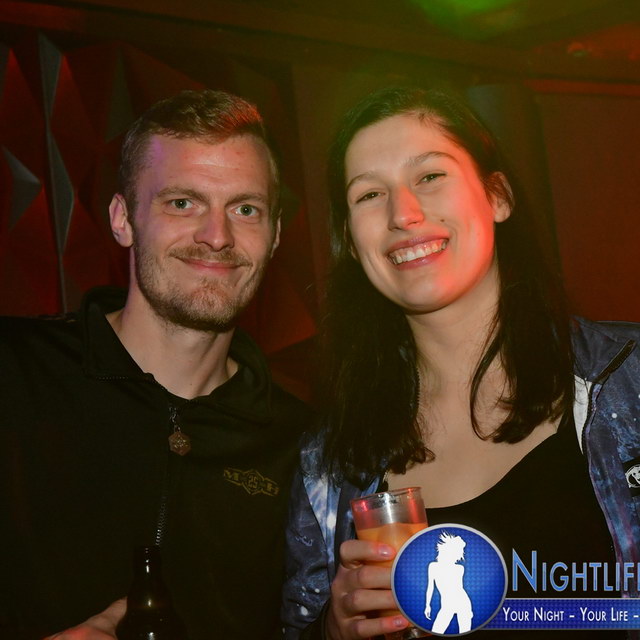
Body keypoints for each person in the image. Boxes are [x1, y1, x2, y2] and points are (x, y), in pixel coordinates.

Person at [282, 86, 640, 639]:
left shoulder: (630, 381)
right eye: (369, 194)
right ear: (351, 243)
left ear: (498, 197)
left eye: (430, 176)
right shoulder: (331, 465)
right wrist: (333, 629)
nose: (404, 214)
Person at [0, 88, 309, 640]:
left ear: (276, 234)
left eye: (246, 209)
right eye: (182, 203)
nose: (217, 236)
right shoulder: (16, 372)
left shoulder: (303, 446)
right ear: (123, 219)